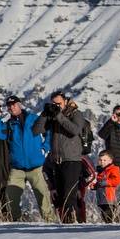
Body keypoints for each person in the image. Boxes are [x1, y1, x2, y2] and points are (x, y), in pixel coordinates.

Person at [33, 91, 86, 223]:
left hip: (72, 159)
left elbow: (74, 130)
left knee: (69, 194)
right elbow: (36, 130)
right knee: (61, 195)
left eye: (59, 104)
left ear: (66, 101)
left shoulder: (75, 113)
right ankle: (66, 222)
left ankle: (74, 223)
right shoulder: (52, 116)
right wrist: (45, 114)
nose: (56, 106)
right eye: (54, 104)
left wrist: (59, 115)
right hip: (57, 160)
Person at [1, 95, 55, 222]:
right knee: (11, 196)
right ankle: (15, 222)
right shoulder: (9, 124)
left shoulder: (33, 119)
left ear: (20, 104)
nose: (11, 107)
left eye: (14, 104)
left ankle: (49, 222)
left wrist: (45, 147)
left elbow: (48, 131)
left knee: (43, 196)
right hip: (17, 167)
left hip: (36, 166)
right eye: (9, 106)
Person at [92, 151, 120, 223]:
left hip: (109, 198)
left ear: (110, 161)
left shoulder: (114, 169)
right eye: (100, 160)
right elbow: (100, 183)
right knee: (104, 216)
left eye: (104, 160)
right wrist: (95, 186)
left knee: (109, 216)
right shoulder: (100, 171)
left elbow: (117, 180)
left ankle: (119, 221)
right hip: (101, 199)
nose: (102, 162)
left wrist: (106, 182)